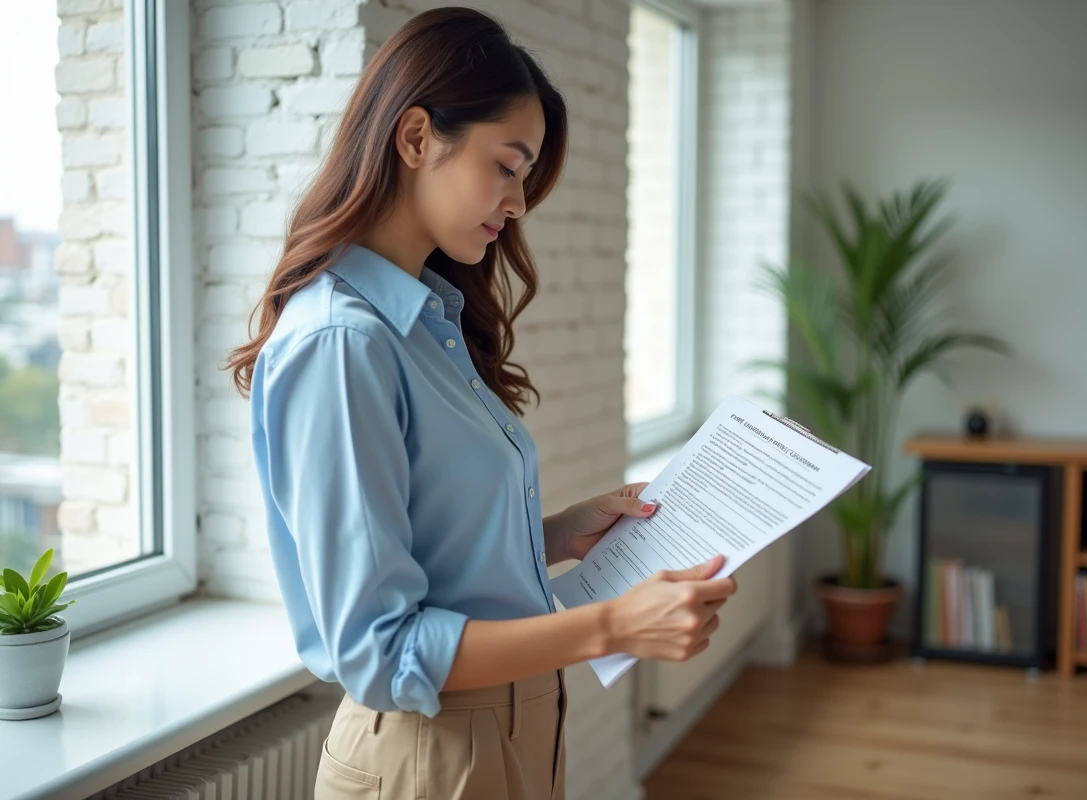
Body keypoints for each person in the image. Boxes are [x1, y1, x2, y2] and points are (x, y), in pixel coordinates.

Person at [225, 8, 737, 800]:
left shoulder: (423, 320)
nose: (519, 202)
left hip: (509, 729)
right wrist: (612, 625)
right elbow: (381, 649)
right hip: (429, 755)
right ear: (416, 137)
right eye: (507, 166)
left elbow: (427, 550)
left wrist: (559, 533)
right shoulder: (343, 343)